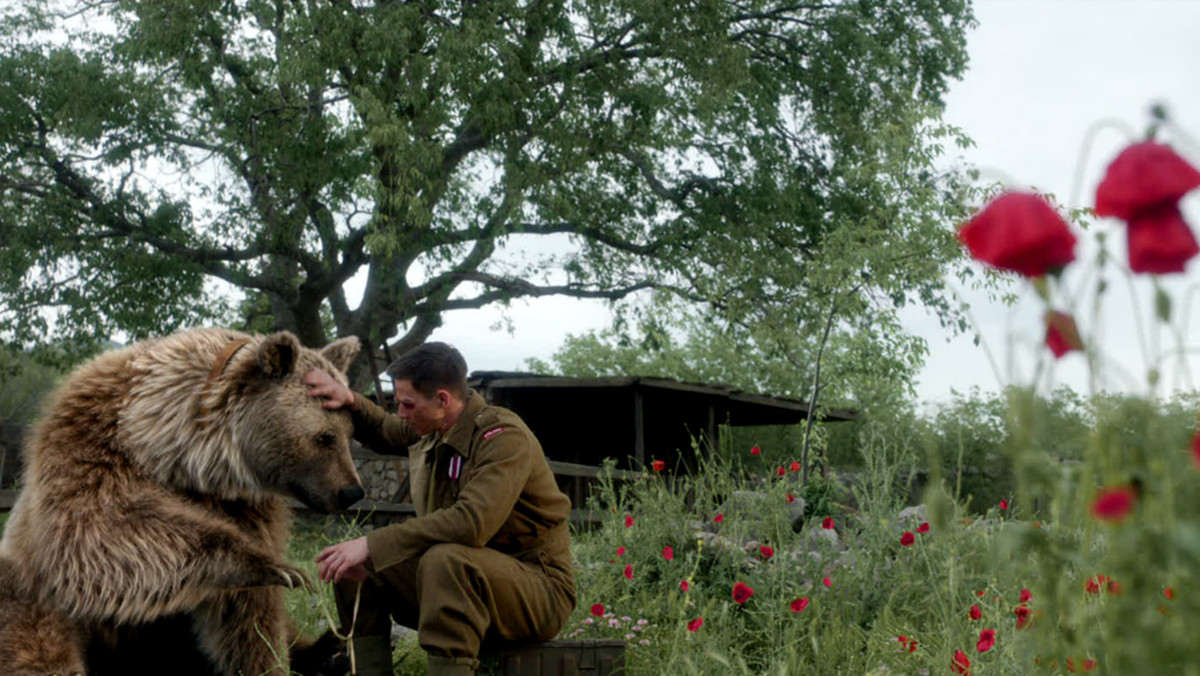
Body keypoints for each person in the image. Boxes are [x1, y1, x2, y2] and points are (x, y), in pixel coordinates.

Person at [303, 342, 575, 676]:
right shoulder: (434, 426)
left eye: (407, 404)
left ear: (443, 400)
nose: (401, 413)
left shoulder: (503, 438)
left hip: (536, 593)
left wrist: (373, 543)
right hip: (464, 581)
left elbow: (472, 523)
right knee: (353, 568)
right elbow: (385, 429)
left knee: (443, 558)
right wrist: (349, 400)